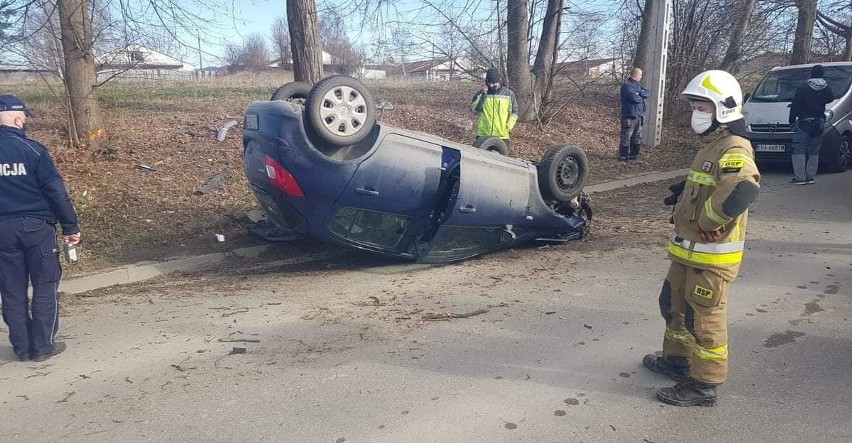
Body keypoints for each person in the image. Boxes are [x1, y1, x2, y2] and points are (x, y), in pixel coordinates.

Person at [643, 71, 760, 407]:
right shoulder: (712, 144)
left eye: (702, 106)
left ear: (723, 109)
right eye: (695, 105)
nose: (697, 112)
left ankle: (703, 385)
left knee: (704, 319)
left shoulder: (734, 146)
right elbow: (710, 183)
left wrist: (710, 219)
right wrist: (686, 196)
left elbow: (743, 187)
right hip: (688, 251)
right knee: (672, 305)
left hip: (711, 257)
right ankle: (677, 360)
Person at [0, 94, 81, 362]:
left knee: (11, 290)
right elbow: (56, 192)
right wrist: (70, 225)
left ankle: (22, 348)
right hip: (36, 227)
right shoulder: (34, 151)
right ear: (17, 118)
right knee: (45, 285)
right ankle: (43, 346)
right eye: (23, 117)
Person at [788, 64, 834, 185]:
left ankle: (799, 177)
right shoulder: (826, 87)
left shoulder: (803, 87)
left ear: (811, 73)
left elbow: (795, 105)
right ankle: (810, 176)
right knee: (814, 150)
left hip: (804, 122)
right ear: (823, 74)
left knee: (799, 149)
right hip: (819, 121)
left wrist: (791, 120)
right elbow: (830, 99)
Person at [471, 68, 518, 150]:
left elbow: (515, 112)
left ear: (499, 81)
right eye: (489, 83)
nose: (491, 85)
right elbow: (474, 109)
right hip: (483, 135)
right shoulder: (481, 94)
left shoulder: (509, 94)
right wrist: (483, 95)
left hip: (502, 136)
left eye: (494, 83)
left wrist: (508, 126)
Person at [619, 67, 651, 161]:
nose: (641, 77)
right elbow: (634, 98)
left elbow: (648, 93)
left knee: (637, 137)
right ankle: (623, 156)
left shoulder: (639, 85)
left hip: (639, 116)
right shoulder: (627, 86)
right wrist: (640, 95)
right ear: (636, 75)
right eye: (640, 75)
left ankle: (634, 156)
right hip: (629, 116)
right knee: (626, 137)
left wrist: (639, 93)